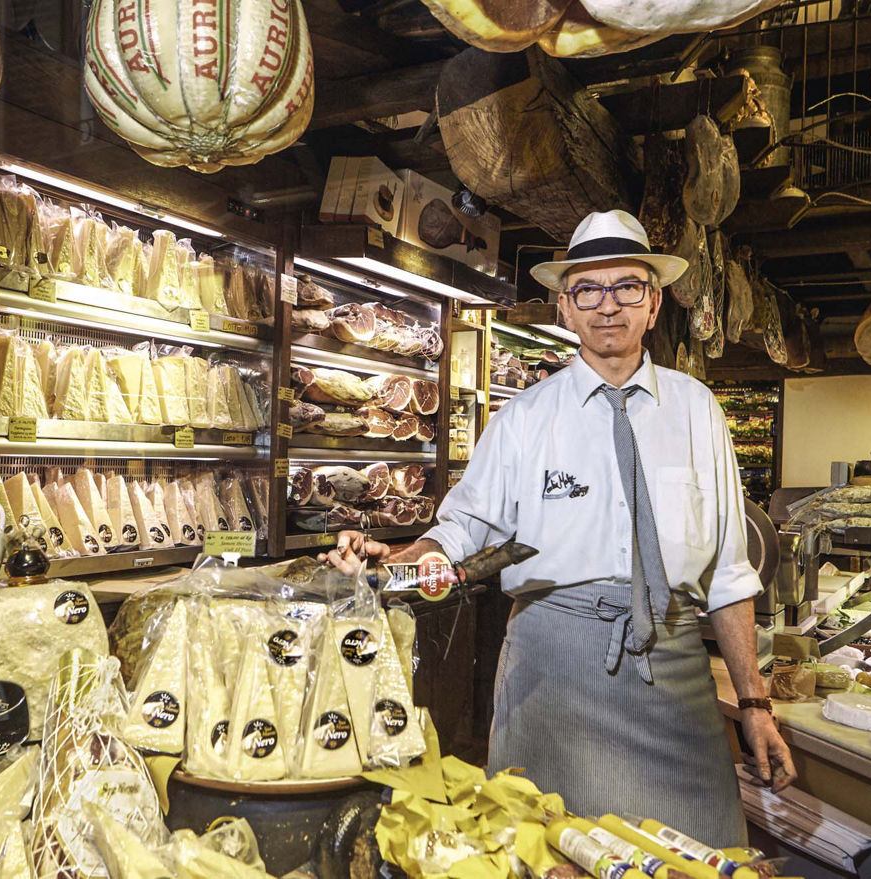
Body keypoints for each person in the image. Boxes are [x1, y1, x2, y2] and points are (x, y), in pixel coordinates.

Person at [322, 210, 796, 845]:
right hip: (552, 671)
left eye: (627, 286)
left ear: (653, 304)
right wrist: (394, 566)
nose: (608, 306)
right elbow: (461, 532)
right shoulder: (526, 418)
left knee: (703, 851)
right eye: (587, 290)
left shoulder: (696, 409)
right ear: (566, 309)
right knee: (548, 849)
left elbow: (731, 575)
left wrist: (755, 704)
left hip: (676, 669)